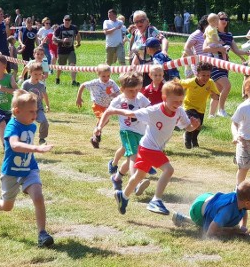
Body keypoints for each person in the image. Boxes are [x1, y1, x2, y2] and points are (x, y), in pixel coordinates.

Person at [105, 80, 200, 216]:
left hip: (150, 148)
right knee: (168, 170)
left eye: (180, 101)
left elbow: (187, 127)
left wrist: (194, 127)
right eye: (175, 101)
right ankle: (156, 200)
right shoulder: (154, 111)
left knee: (139, 176)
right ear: (164, 98)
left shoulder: (179, 111)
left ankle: (123, 196)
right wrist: (113, 110)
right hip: (149, 148)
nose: (178, 104)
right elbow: (131, 114)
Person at [0, 91, 55, 248]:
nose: (34, 114)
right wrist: (36, 148)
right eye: (31, 111)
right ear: (17, 111)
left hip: (29, 169)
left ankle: (42, 234)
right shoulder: (12, 126)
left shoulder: (31, 126)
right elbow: (15, 145)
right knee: (7, 206)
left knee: (38, 197)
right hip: (11, 172)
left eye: (36, 111)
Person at [94, 71, 152, 194]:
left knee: (129, 159)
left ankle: (117, 178)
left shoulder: (141, 98)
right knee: (133, 156)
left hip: (141, 133)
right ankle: (136, 182)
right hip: (127, 132)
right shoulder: (118, 101)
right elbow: (107, 113)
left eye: (137, 90)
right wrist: (99, 127)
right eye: (131, 91)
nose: (134, 93)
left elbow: (151, 110)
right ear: (122, 89)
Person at [171, 180, 250, 238]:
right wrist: (230, 232)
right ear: (247, 203)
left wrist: (242, 227)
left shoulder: (242, 202)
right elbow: (210, 232)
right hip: (198, 209)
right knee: (212, 225)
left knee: (225, 223)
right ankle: (182, 218)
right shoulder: (227, 211)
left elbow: (244, 214)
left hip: (209, 198)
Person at [205, 11, 249, 118]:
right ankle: (221, 110)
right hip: (214, 64)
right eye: (222, 19)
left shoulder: (229, 35)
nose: (225, 21)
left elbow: (236, 50)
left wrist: (246, 53)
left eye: (226, 19)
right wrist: (220, 48)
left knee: (218, 91)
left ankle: (211, 114)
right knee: (227, 86)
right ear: (216, 21)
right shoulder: (212, 32)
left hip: (225, 65)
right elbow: (205, 48)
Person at [79, 63, 120, 148]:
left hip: (107, 106)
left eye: (108, 76)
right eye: (103, 76)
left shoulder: (111, 83)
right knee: (104, 119)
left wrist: (114, 95)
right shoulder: (95, 83)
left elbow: (117, 93)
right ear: (99, 75)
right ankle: (96, 133)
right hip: (97, 105)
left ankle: (96, 136)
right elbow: (82, 85)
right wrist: (79, 97)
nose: (106, 78)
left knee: (104, 120)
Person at [181, 61, 220, 149]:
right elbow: (180, 83)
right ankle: (187, 137)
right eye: (203, 75)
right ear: (197, 74)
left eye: (208, 75)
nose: (205, 78)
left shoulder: (210, 83)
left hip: (201, 108)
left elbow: (216, 94)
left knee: (198, 126)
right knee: (195, 121)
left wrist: (214, 95)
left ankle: (194, 139)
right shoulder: (191, 82)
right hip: (189, 106)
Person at [21, 61, 50, 145]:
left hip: (38, 109)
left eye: (40, 74)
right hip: (27, 109)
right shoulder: (26, 84)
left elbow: (45, 95)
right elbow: (21, 95)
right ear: (30, 73)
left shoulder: (41, 85)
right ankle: (25, 139)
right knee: (27, 125)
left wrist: (47, 105)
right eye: (35, 74)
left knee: (44, 122)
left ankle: (42, 138)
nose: (38, 76)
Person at [53, 15, 81, 86]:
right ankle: (57, 78)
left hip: (71, 50)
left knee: (73, 64)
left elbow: (78, 35)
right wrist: (62, 40)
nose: (67, 22)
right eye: (66, 20)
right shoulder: (59, 28)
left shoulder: (74, 28)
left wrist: (78, 43)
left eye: (69, 20)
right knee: (60, 66)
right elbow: (54, 39)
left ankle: (74, 81)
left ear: (71, 21)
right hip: (61, 50)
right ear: (63, 20)